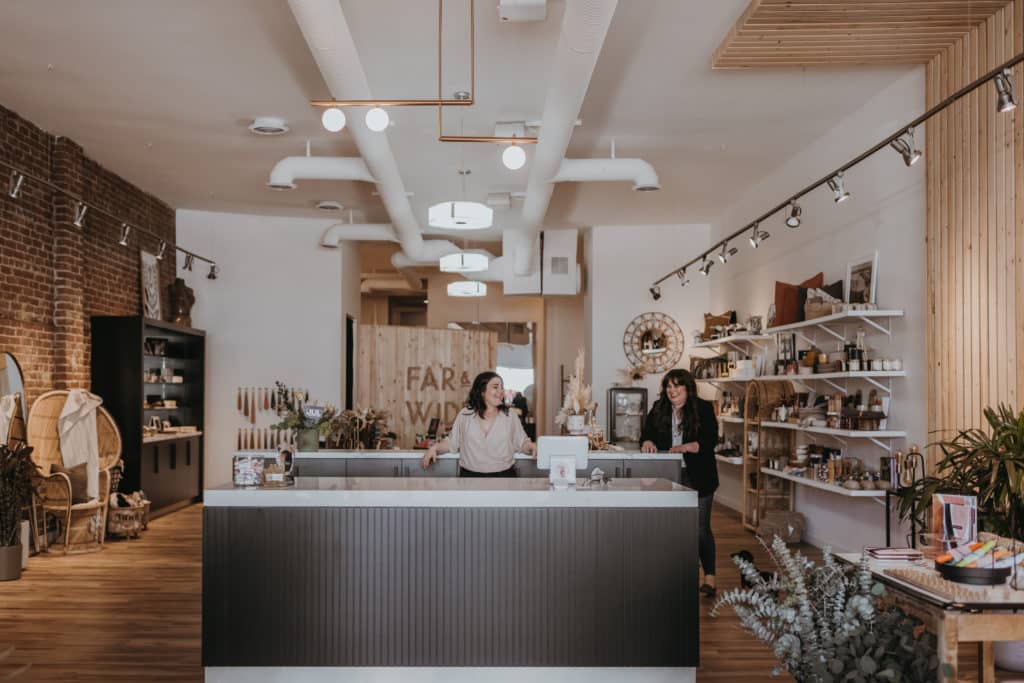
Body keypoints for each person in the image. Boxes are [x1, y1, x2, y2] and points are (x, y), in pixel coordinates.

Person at [640, 368, 719, 596]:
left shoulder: (702, 408)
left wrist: (690, 446)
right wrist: (647, 441)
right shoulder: (658, 408)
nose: (672, 391)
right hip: (669, 475)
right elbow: (646, 433)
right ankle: (678, 574)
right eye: (669, 386)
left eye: (677, 386)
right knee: (673, 526)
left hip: (699, 475)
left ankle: (710, 578)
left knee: (700, 527)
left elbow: (710, 439)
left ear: (687, 388)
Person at [421, 371, 535, 477]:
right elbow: (451, 443)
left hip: (504, 477)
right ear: (482, 391)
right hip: (469, 477)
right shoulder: (465, 414)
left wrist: (532, 446)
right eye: (495, 387)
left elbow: (522, 443)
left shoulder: (510, 415)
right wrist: (435, 448)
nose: (501, 391)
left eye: (502, 387)